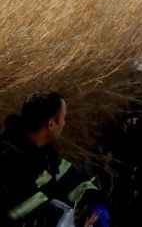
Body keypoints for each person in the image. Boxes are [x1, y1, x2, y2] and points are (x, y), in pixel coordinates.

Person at [0, 92, 109, 227]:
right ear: (51, 124)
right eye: (63, 118)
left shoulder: (44, 154)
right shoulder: (8, 161)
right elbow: (26, 213)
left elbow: (71, 179)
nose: (64, 123)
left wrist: (95, 203)